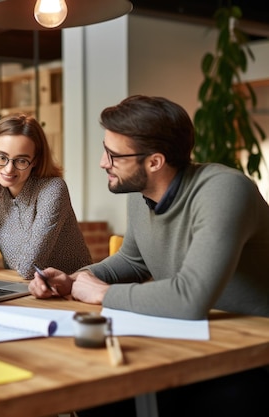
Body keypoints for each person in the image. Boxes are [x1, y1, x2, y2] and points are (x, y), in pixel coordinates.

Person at [28, 95, 269, 417]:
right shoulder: (141, 194)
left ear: (154, 162)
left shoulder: (224, 191)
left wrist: (101, 292)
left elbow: (189, 299)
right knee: (99, 396)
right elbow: (132, 261)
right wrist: (72, 281)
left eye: (114, 155)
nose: (103, 162)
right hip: (191, 340)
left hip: (250, 352)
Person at [0, 113, 91, 279]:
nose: (9, 169)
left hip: (71, 291)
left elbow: (28, 269)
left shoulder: (53, 190)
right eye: (2, 157)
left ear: (35, 161)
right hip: (24, 290)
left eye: (21, 161)